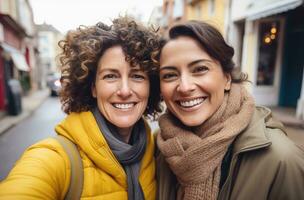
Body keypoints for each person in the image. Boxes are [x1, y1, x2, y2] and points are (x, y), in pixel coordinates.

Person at [0, 16, 162, 200]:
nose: (124, 90)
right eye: (110, 76)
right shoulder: (54, 158)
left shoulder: (154, 148)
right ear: (93, 88)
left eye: (137, 76)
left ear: (151, 86)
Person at [156, 21, 304, 200]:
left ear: (227, 78)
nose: (185, 87)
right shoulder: (159, 148)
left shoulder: (281, 160)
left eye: (200, 69)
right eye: (170, 75)